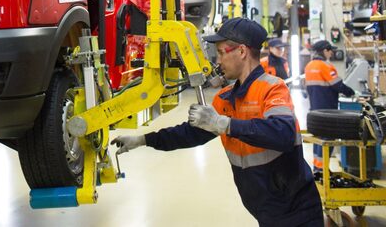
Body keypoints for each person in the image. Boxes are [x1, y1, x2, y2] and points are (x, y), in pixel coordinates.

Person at [112, 18, 322, 226]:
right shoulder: (225, 97)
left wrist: (224, 124)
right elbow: (190, 134)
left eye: (222, 52)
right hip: (266, 211)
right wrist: (143, 140)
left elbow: (282, 133)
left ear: (241, 51)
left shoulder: (272, 88)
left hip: (298, 211)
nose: (218, 61)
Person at [304, 40, 355, 172]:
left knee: (318, 137)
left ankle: (317, 167)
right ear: (325, 51)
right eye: (330, 50)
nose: (332, 52)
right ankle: (322, 170)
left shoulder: (309, 66)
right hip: (328, 110)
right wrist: (351, 92)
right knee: (328, 138)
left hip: (315, 109)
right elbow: (338, 86)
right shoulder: (326, 67)